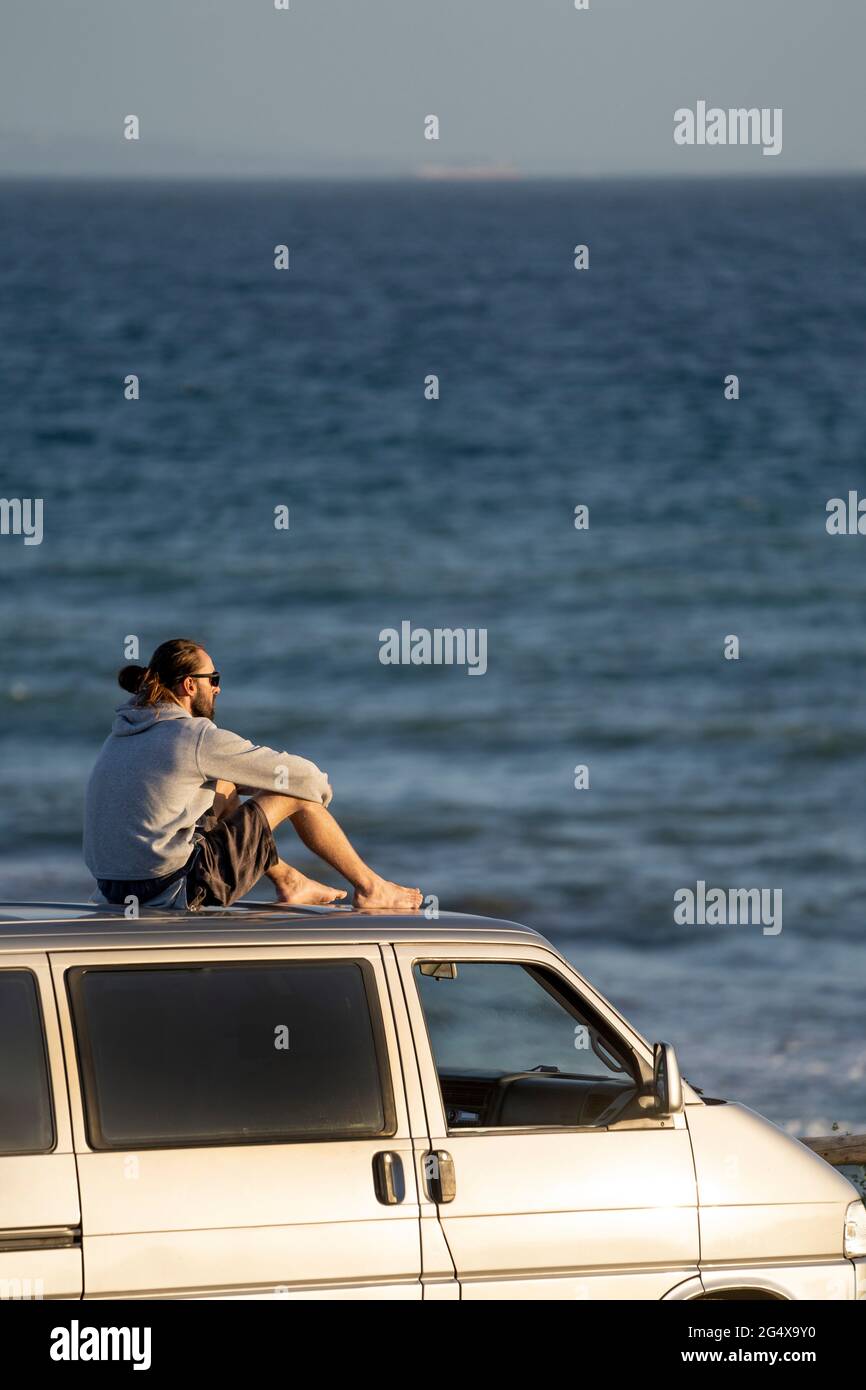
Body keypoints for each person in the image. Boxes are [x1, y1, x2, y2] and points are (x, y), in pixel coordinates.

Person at [83, 638, 423, 912]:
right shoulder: (193, 736)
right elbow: (305, 779)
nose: (217, 689)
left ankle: (289, 880)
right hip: (174, 888)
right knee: (291, 792)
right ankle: (371, 888)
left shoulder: (122, 735)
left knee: (224, 782)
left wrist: (239, 791)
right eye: (213, 680)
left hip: (112, 891)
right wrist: (312, 797)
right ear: (189, 685)